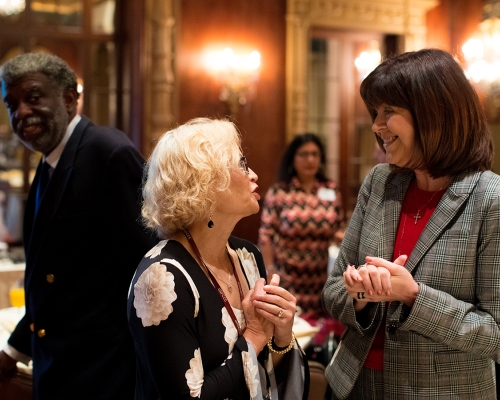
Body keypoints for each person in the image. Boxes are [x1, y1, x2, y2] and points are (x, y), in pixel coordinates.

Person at [322, 48, 500, 399]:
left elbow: (495, 335)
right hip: (355, 385)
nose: (376, 125)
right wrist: (362, 295)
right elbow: (332, 290)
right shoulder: (380, 182)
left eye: (389, 111)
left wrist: (414, 296)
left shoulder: (490, 200)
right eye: (376, 112)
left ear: (432, 113)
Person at [0, 52, 156, 399]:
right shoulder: (50, 163)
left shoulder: (107, 152)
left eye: (33, 97)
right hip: (60, 369)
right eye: (11, 103)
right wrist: (14, 351)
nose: (20, 112)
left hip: (102, 375)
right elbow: (55, 286)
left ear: (69, 99)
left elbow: (147, 270)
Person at [127, 118, 307, 399]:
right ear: (205, 182)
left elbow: (264, 371)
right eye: (242, 164)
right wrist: (255, 336)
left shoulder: (248, 256)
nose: (254, 175)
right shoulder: (160, 278)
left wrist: (282, 335)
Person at [258, 133, 344, 319]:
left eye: (315, 154)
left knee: (317, 338)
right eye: (303, 154)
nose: (310, 159)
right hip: (287, 281)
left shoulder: (330, 189)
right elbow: (265, 237)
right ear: (293, 158)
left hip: (320, 282)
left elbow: (337, 229)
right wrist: (270, 273)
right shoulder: (280, 192)